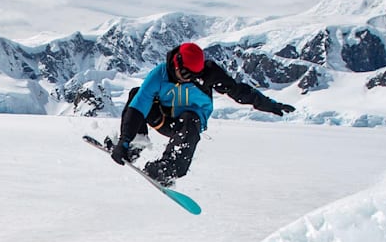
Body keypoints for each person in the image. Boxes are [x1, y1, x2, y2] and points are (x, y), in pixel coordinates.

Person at [108, 42, 295, 186]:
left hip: (189, 124)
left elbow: (238, 91)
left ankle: (169, 169)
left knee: (190, 118)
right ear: (175, 63)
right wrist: (124, 141)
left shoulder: (209, 73)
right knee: (136, 94)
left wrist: (269, 104)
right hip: (165, 119)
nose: (187, 78)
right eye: (184, 73)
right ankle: (133, 145)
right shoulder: (160, 74)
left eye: (192, 76)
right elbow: (139, 106)